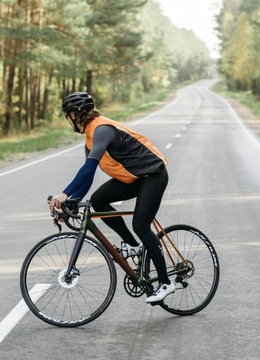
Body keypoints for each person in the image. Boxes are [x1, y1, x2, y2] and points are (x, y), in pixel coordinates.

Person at [49, 91, 175, 303]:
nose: (67, 120)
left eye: (67, 116)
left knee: (141, 225)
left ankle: (165, 282)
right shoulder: (90, 138)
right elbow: (87, 176)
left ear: (74, 115)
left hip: (153, 175)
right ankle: (133, 245)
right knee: (98, 200)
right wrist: (70, 203)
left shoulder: (102, 129)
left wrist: (64, 194)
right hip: (134, 178)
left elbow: (89, 168)